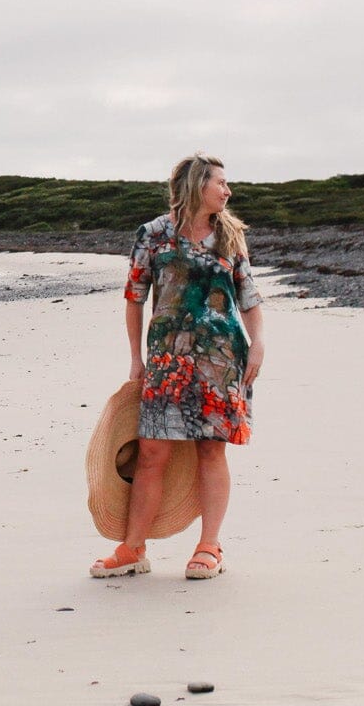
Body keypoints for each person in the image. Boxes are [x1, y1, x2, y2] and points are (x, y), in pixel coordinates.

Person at [90, 152, 265, 580]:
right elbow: (134, 297)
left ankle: (210, 546)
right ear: (195, 185)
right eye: (220, 183)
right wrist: (136, 358)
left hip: (222, 363)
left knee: (211, 449)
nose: (228, 191)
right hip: (167, 361)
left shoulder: (231, 237)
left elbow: (249, 298)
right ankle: (132, 548)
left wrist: (258, 343)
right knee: (151, 452)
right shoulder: (153, 235)